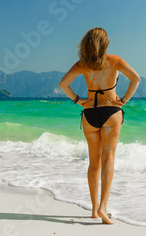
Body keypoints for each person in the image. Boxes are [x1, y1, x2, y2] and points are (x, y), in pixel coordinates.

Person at [59, 27, 140, 224]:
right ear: (105, 44)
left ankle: (94, 210)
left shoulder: (82, 64)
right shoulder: (115, 60)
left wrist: (79, 100)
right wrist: (124, 100)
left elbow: (63, 85)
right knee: (108, 159)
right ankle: (104, 207)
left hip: (90, 114)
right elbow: (136, 79)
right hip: (111, 112)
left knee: (93, 162)